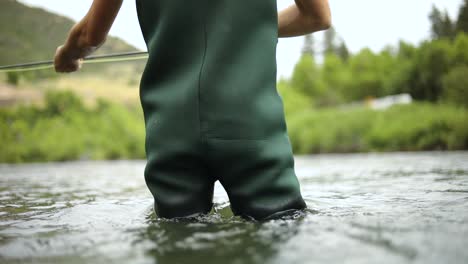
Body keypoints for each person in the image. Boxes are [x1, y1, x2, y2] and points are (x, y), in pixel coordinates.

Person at [55, 0, 331, 220]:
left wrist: (68, 53)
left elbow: (90, 34)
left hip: (171, 130)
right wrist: (244, 26)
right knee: (281, 225)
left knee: (176, 235)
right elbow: (317, 16)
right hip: (250, 125)